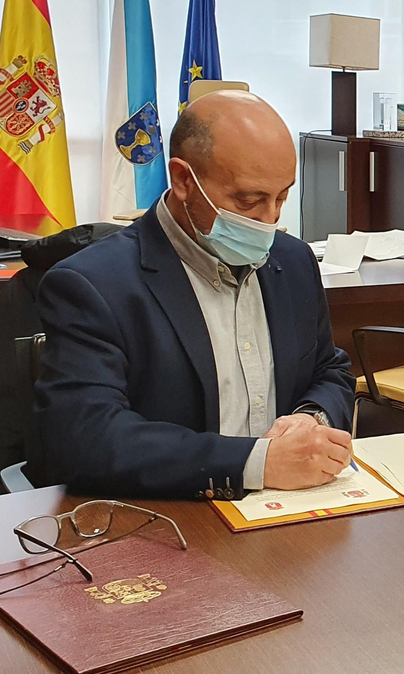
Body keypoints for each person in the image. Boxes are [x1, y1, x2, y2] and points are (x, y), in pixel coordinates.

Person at [34, 91, 357, 500]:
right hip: (173, 516)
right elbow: (86, 440)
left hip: (292, 507)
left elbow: (330, 370)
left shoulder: (293, 262)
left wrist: (311, 420)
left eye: (282, 197)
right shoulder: (93, 285)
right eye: (249, 200)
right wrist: (255, 463)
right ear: (184, 181)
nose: (270, 219)